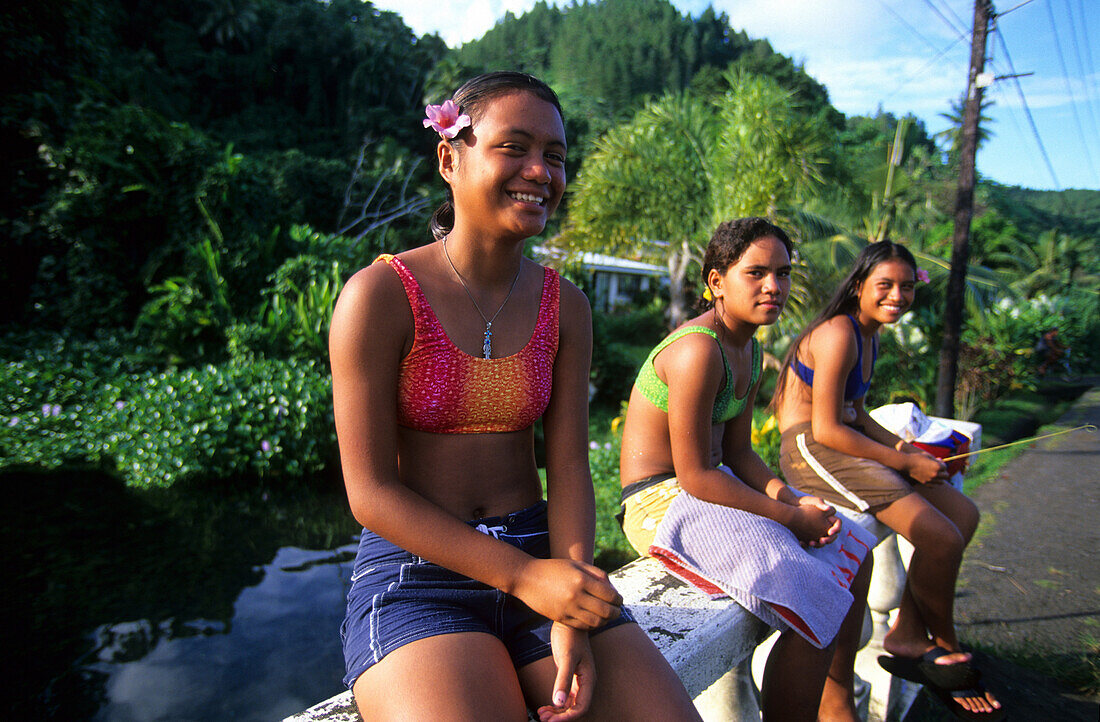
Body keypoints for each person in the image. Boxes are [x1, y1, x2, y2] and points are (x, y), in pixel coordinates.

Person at [330, 72, 700, 722]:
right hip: (420, 572)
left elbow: (569, 471)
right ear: (450, 157)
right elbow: (370, 495)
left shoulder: (567, 308)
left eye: (554, 156)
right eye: (515, 147)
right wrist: (526, 580)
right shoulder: (380, 296)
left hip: (541, 552)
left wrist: (572, 593)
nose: (540, 171)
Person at [618, 218, 875, 722]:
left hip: (712, 487)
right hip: (660, 502)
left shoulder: (750, 348)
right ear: (716, 281)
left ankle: (835, 698)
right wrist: (789, 519)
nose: (773, 287)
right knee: (816, 597)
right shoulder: (697, 350)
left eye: (782, 273)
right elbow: (694, 475)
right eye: (756, 273)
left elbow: (739, 454)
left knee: (853, 548)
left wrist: (791, 499)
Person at [772, 241, 1004, 720]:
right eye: (885, 285)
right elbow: (828, 427)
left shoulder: (868, 334)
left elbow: (857, 414)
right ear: (859, 287)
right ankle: (943, 644)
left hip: (841, 442)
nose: (897, 295)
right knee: (938, 535)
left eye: (905, 286)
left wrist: (907, 451)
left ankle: (907, 633)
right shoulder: (839, 332)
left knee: (963, 513)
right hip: (812, 449)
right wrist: (902, 464)